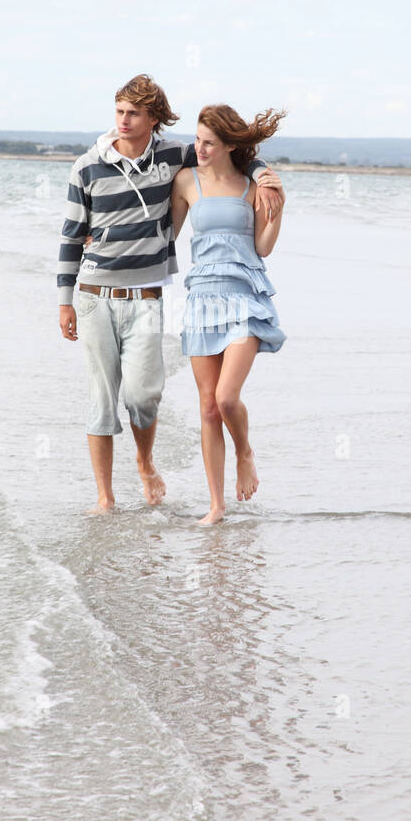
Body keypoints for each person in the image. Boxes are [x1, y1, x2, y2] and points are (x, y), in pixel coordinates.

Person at [57, 74, 285, 512]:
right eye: (119, 112)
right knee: (104, 401)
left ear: (154, 119)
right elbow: (73, 237)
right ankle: (106, 499)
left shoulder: (173, 157)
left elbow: (230, 158)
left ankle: (151, 461)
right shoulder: (88, 166)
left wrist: (263, 175)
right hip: (98, 294)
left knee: (147, 396)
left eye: (133, 113)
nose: (123, 120)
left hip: (149, 297)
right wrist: (64, 299)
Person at [171, 103, 287, 525]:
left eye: (209, 143)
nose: (199, 148)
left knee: (225, 398)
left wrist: (278, 210)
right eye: (197, 140)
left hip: (243, 298)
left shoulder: (252, 184)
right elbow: (165, 235)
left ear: (227, 145)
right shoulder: (185, 181)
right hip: (201, 299)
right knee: (206, 408)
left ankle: (245, 453)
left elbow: (263, 247)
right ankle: (216, 506)